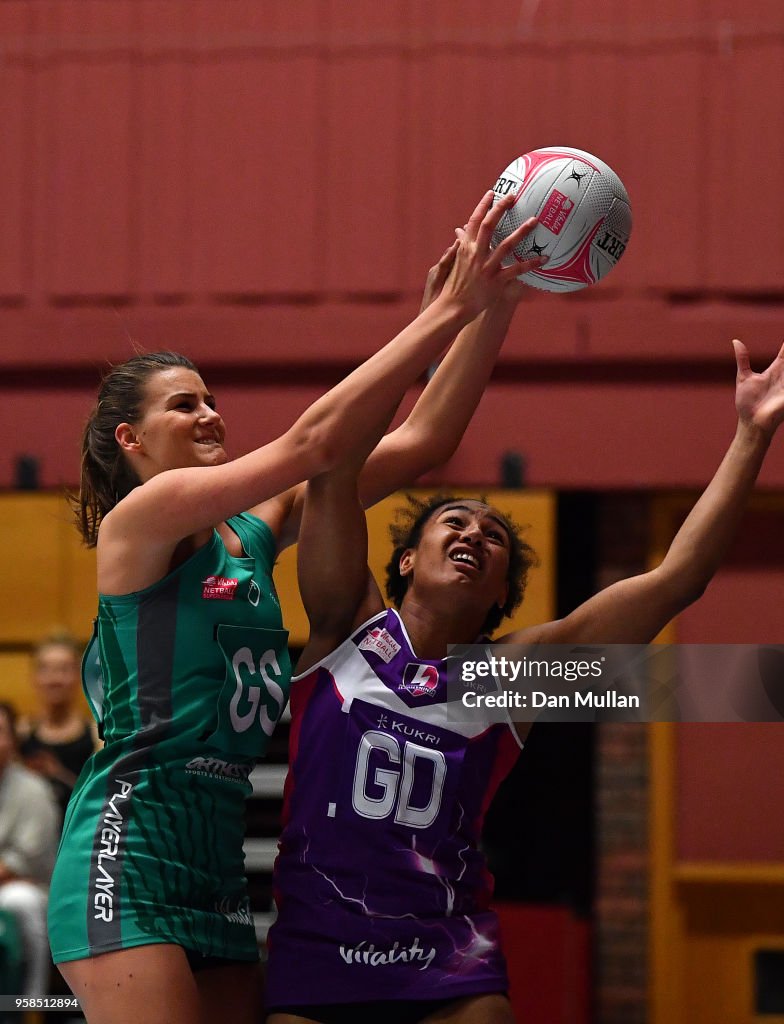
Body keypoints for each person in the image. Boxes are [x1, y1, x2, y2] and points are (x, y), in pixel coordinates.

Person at [46, 192, 547, 1024]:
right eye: (183, 404)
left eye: (210, 398)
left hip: (213, 858)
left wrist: (494, 306)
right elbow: (316, 444)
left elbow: (422, 443)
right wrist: (443, 312)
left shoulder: (254, 527)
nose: (209, 413)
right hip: (128, 846)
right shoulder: (139, 525)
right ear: (130, 441)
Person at [265, 316, 784, 1023]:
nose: (474, 532)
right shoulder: (347, 627)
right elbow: (335, 463)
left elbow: (676, 582)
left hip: (443, 958)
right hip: (319, 945)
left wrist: (751, 435)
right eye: (454, 522)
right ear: (407, 558)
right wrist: (435, 321)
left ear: (502, 592)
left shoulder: (510, 677)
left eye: (493, 534)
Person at [0, 701, 60, 998]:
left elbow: (19, 863)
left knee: (18, 900)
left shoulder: (34, 789)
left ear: (13, 740)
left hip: (31, 888)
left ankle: (30, 1002)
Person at [18, 634, 101, 814]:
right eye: (46, 670)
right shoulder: (19, 735)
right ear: (34, 677)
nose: (55, 679)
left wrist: (58, 774)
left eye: (64, 670)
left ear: (79, 676)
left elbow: (100, 803)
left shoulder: (98, 737)